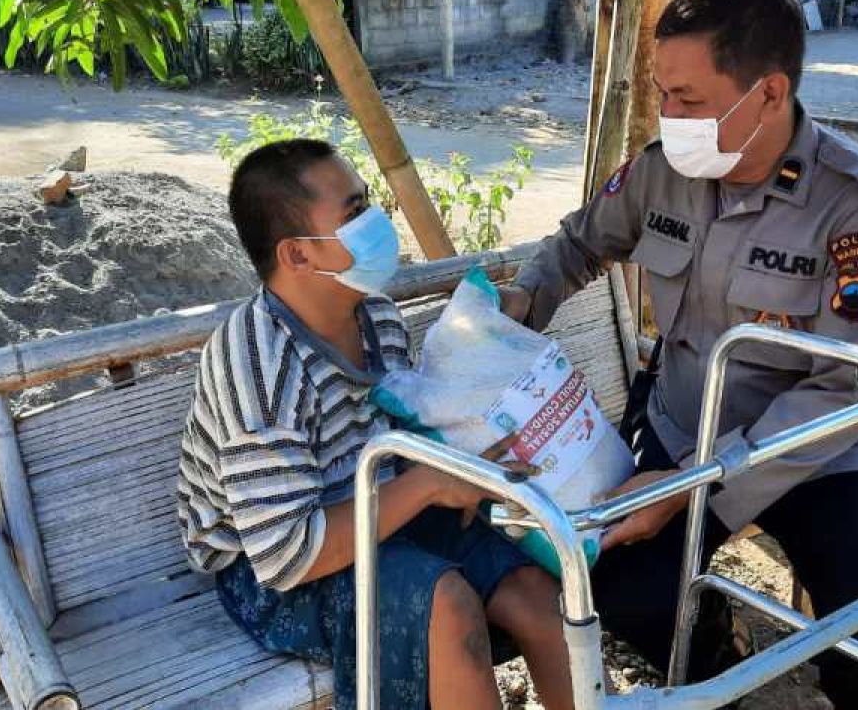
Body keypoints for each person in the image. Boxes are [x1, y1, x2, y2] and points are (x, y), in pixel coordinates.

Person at [500, 0, 858, 707]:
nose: (667, 114)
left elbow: (839, 391)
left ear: (769, 93)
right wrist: (513, 312)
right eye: (662, 92)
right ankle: (713, 655)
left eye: (688, 99)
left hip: (817, 452)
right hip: (682, 421)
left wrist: (690, 488)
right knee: (630, 592)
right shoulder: (665, 171)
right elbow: (580, 243)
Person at [176, 139, 573, 710]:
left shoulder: (375, 316)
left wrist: (464, 464)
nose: (375, 221)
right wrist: (433, 484)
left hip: (384, 506)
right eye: (354, 212)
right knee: (449, 609)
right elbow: (288, 555)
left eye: (368, 203)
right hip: (273, 572)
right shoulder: (260, 369)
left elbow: (403, 433)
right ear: (297, 255)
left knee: (538, 594)